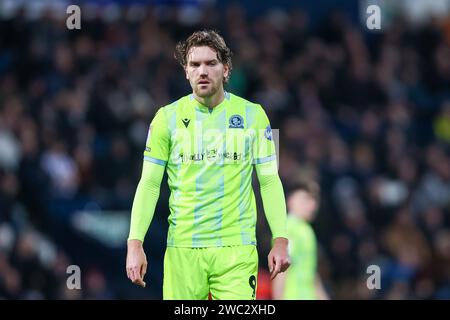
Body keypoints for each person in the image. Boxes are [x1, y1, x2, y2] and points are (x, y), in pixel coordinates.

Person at [125, 30, 290, 300]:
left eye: (211, 63)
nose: (202, 71)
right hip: (183, 250)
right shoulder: (166, 119)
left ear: (226, 70)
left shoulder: (254, 115)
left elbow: (270, 180)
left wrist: (280, 239)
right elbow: (149, 183)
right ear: (186, 72)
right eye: (195, 64)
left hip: (236, 248)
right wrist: (135, 243)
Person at [272, 181, 329, 300]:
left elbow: (311, 273)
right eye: (305, 199)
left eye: (314, 200)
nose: (312, 204)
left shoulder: (306, 229)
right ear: (290, 200)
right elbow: (280, 271)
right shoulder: (287, 229)